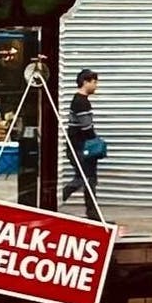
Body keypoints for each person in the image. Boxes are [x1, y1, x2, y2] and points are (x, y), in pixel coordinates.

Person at [63, 68, 106, 215]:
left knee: (88, 179)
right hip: (79, 148)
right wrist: (96, 142)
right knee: (85, 178)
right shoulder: (81, 102)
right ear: (85, 82)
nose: (96, 86)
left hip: (79, 147)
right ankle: (57, 199)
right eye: (94, 82)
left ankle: (92, 213)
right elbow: (87, 128)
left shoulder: (80, 100)